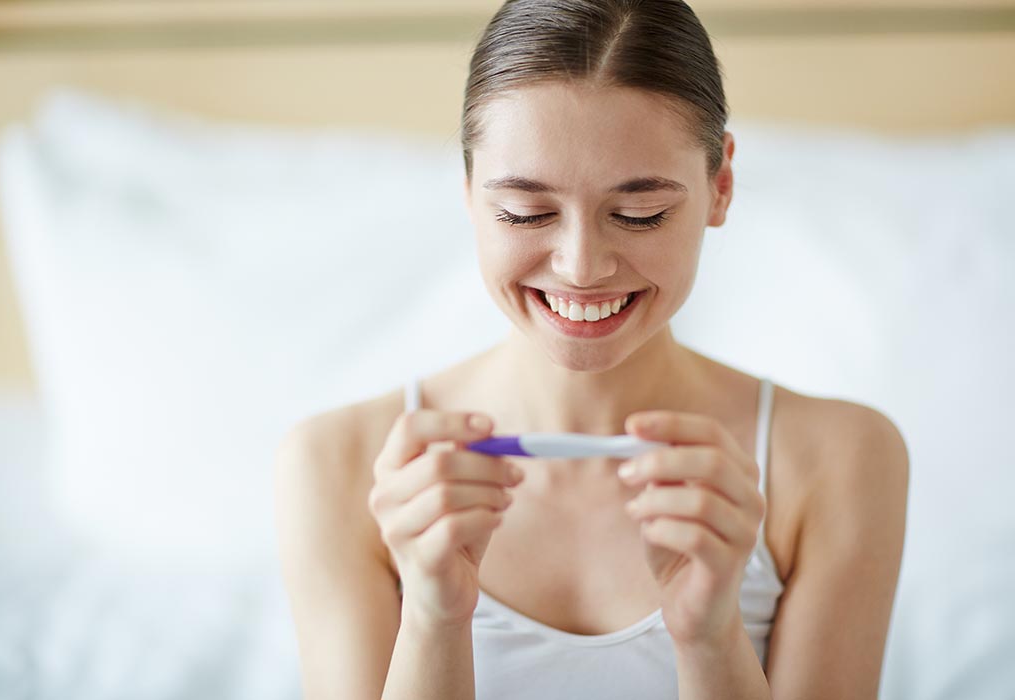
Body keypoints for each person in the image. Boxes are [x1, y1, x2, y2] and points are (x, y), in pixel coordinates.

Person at [274, 1, 909, 698]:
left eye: (640, 214)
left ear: (720, 185)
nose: (581, 266)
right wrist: (433, 619)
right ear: (467, 190)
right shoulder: (337, 465)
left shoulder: (840, 460)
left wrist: (709, 636)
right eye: (525, 212)